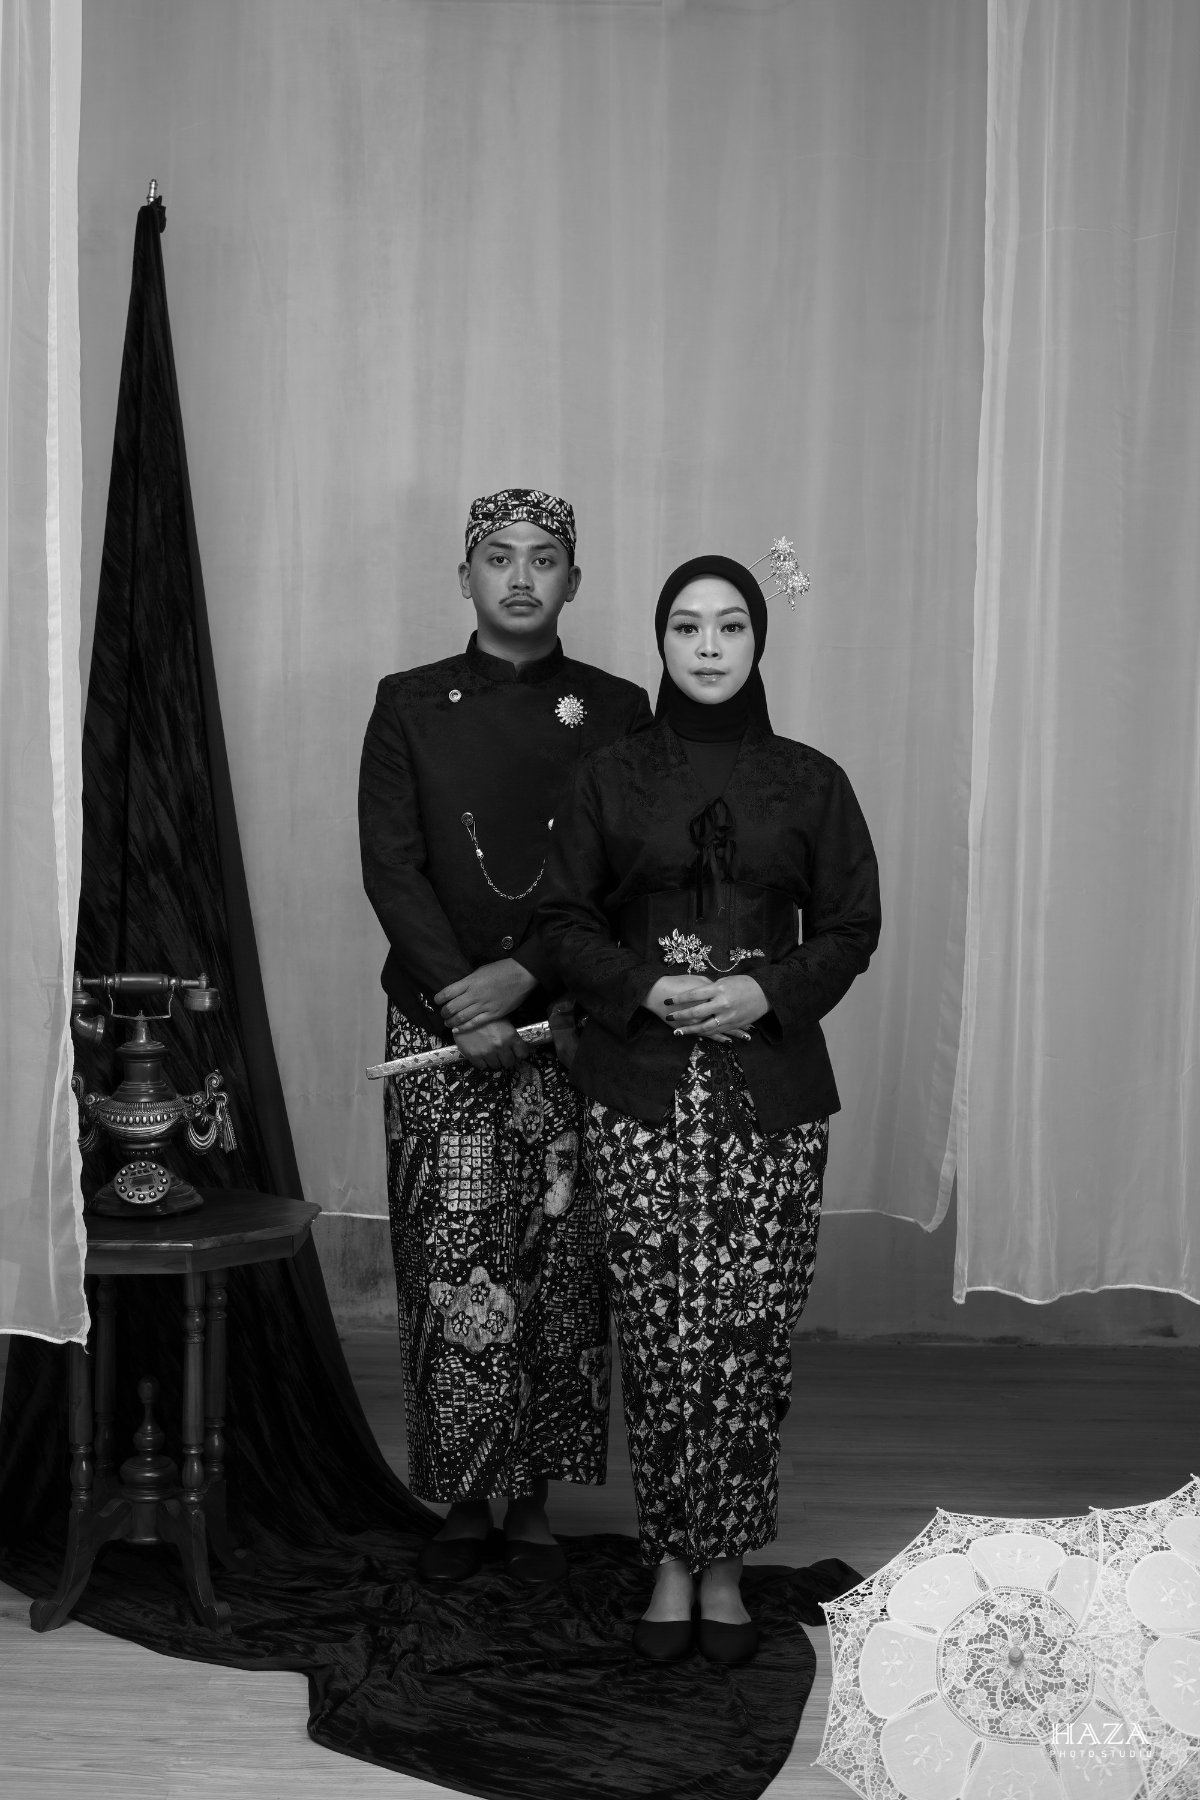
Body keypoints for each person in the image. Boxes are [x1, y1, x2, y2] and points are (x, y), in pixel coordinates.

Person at [537, 553, 880, 1661]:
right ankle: (670, 1560)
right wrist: (644, 987)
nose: (710, 646)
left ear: (759, 639)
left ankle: (724, 1563)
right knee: (659, 1330)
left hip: (768, 1097)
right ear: (662, 641)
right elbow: (562, 923)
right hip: (640, 1090)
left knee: (747, 1332)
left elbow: (852, 926)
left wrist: (766, 991)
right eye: (687, 627)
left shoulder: (811, 780)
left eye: (731, 625)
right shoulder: (610, 775)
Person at [358, 489, 653, 1584]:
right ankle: (463, 1492)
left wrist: (526, 976)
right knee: (449, 1257)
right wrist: (461, 996)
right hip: (436, 1021)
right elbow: (391, 863)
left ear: (574, 581)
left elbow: (625, 870)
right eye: (498, 556)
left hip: (567, 1022)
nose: (521, 576)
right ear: (466, 576)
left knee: (557, 1260)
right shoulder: (408, 704)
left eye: (544, 558)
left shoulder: (618, 711)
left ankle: (533, 1497)